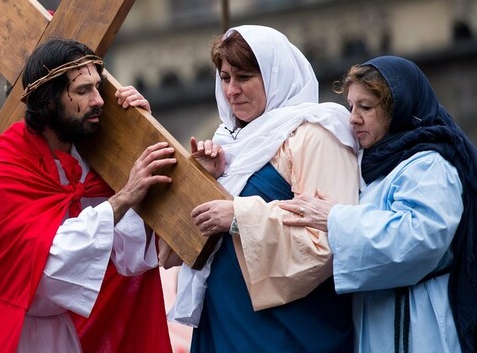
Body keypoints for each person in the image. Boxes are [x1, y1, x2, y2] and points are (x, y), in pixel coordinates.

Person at [0, 38, 176, 352]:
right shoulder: (2, 166)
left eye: (97, 87)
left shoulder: (89, 160)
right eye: (82, 90)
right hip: (5, 333)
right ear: (49, 101)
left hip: (59, 338)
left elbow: (122, 248)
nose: (99, 100)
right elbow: (48, 263)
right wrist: (124, 197)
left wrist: (140, 132)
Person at [167, 25, 360, 352]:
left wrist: (238, 215)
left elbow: (330, 238)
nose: (231, 91)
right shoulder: (226, 144)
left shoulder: (315, 133)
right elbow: (180, 243)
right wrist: (205, 180)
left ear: (274, 75)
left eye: (244, 77)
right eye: (225, 78)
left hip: (288, 330)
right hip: (225, 320)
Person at [278, 56, 477, 352]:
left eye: (366, 107)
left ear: (398, 109)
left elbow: (420, 238)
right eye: (351, 106)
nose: (353, 118)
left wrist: (336, 219)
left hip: (419, 327)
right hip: (380, 321)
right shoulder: (377, 164)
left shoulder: (430, 164)